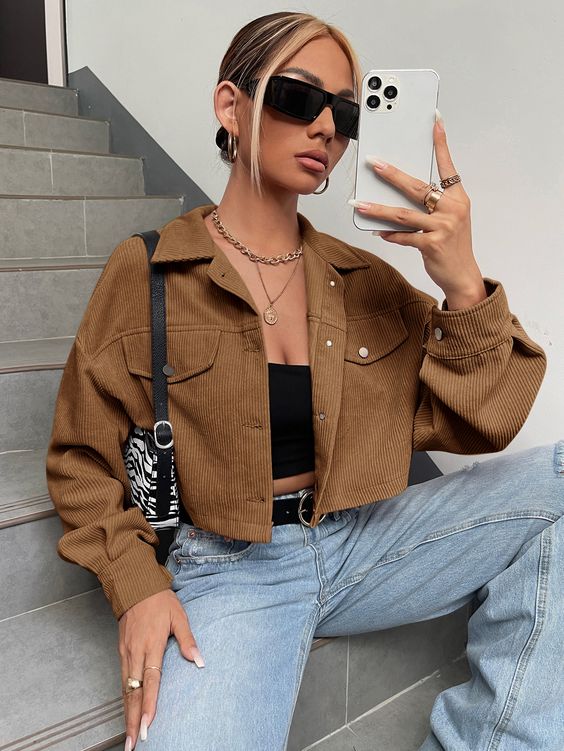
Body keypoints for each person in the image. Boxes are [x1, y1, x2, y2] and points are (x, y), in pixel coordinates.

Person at [45, 11, 564, 751]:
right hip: (229, 568)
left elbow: (482, 421)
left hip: (360, 541)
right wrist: (138, 584)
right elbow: (80, 458)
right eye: (298, 97)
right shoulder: (152, 269)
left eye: (346, 114)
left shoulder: (363, 280)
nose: (325, 127)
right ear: (231, 106)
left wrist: (463, 286)